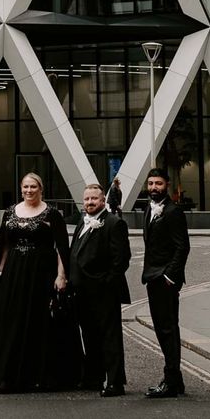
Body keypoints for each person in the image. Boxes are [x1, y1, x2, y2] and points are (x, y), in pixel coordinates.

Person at [0, 172, 81, 392]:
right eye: (25, 187)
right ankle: (9, 377)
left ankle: (41, 376)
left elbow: (62, 248)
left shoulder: (52, 214)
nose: (29, 191)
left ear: (41, 189)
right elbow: (3, 244)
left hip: (42, 273)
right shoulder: (10, 212)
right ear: (21, 189)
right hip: (14, 273)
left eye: (33, 187)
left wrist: (61, 276)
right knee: (11, 320)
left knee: (40, 321)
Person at [69, 184, 131, 397]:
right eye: (86, 199)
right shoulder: (82, 221)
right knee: (89, 336)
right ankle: (94, 377)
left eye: (94, 199)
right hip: (82, 292)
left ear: (103, 200)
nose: (89, 203)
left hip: (103, 292)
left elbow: (121, 260)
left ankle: (115, 382)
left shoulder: (114, 223)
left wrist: (105, 284)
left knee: (110, 338)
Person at [142, 168, 190, 398]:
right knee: (163, 331)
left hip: (165, 280)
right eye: (150, 183)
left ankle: (171, 382)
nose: (153, 187)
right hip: (153, 277)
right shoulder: (148, 209)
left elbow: (182, 246)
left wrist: (170, 277)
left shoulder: (173, 212)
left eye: (158, 183)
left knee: (168, 330)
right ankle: (176, 381)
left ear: (167, 185)